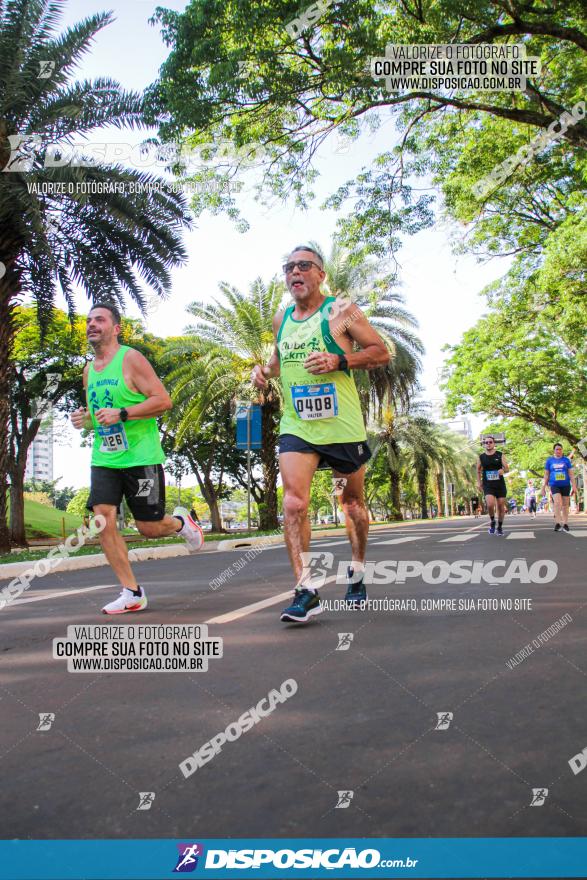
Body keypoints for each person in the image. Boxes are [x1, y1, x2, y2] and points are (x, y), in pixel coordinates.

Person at [251, 245, 390, 623]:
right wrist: (264, 372)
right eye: (288, 267)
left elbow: (381, 352)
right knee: (294, 502)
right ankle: (305, 588)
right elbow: (279, 362)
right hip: (298, 425)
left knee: (352, 504)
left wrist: (340, 360)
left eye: (303, 266)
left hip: (342, 425)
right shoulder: (282, 318)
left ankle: (357, 571)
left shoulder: (340, 311)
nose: (294, 272)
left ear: (320, 275)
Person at [71, 303, 203, 615]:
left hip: (140, 456)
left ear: (116, 328)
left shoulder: (130, 359)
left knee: (148, 527)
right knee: (103, 518)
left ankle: (182, 523)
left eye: (100, 320)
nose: (92, 324)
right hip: (105, 456)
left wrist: (124, 413)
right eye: (89, 320)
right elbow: (98, 416)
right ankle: (132, 591)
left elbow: (163, 401)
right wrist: (85, 419)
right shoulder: (89, 370)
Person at [476, 435, 509, 536]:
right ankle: (492, 521)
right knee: (490, 504)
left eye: (490, 442)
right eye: (486, 442)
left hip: (499, 484)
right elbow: (478, 470)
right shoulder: (481, 457)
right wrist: (479, 482)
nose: (488, 444)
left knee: (500, 506)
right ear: (484, 444)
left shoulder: (500, 455)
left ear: (494, 444)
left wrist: (502, 470)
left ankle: (499, 526)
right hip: (488, 484)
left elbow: (507, 468)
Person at [541, 442, 577, 532]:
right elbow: (546, 475)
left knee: (565, 504)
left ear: (562, 450)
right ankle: (557, 523)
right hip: (554, 485)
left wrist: (574, 486)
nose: (558, 451)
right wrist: (543, 487)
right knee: (557, 502)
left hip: (565, 485)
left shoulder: (566, 460)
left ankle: (565, 523)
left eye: (560, 449)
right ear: (554, 450)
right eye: (557, 449)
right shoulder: (549, 461)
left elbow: (571, 474)